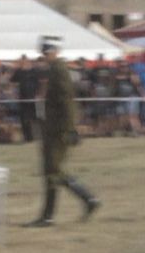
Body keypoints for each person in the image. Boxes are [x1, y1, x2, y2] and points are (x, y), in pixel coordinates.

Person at [23, 36, 101, 227]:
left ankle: (84, 201)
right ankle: (78, 204)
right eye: (44, 53)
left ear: (55, 52)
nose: (46, 56)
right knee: (51, 171)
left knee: (53, 171)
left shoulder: (59, 69)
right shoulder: (53, 70)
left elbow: (67, 100)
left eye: (48, 52)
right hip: (52, 129)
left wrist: (70, 129)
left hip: (58, 131)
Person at [10, 54, 43, 142]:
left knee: (41, 118)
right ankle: (28, 139)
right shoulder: (18, 71)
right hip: (23, 100)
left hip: (38, 100)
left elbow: (42, 83)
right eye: (21, 62)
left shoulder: (36, 71)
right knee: (24, 120)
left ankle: (42, 138)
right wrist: (14, 94)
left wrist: (40, 94)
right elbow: (11, 82)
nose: (23, 63)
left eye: (24, 61)